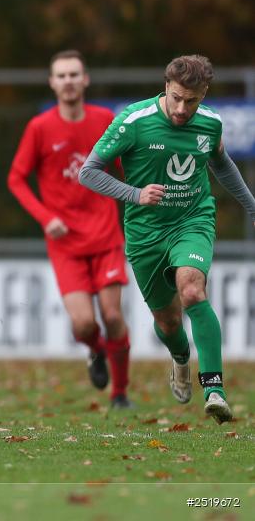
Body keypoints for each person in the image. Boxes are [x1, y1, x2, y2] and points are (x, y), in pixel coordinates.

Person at [80, 54, 255, 424]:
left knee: (192, 290)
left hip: (193, 219)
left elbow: (220, 162)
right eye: (176, 98)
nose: (181, 108)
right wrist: (135, 193)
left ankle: (214, 389)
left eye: (191, 101)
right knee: (169, 322)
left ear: (203, 94)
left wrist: (251, 207)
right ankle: (180, 359)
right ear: (166, 87)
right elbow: (88, 172)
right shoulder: (134, 121)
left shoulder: (211, 124)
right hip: (145, 234)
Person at [8, 50, 133, 408]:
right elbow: (16, 179)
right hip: (65, 243)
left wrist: (140, 201)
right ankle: (95, 352)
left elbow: (128, 169)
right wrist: (46, 218)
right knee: (83, 324)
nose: (68, 81)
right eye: (61, 76)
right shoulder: (40, 128)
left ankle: (120, 394)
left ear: (85, 79)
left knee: (112, 316)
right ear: (52, 83)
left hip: (106, 235)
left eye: (74, 74)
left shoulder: (105, 119)